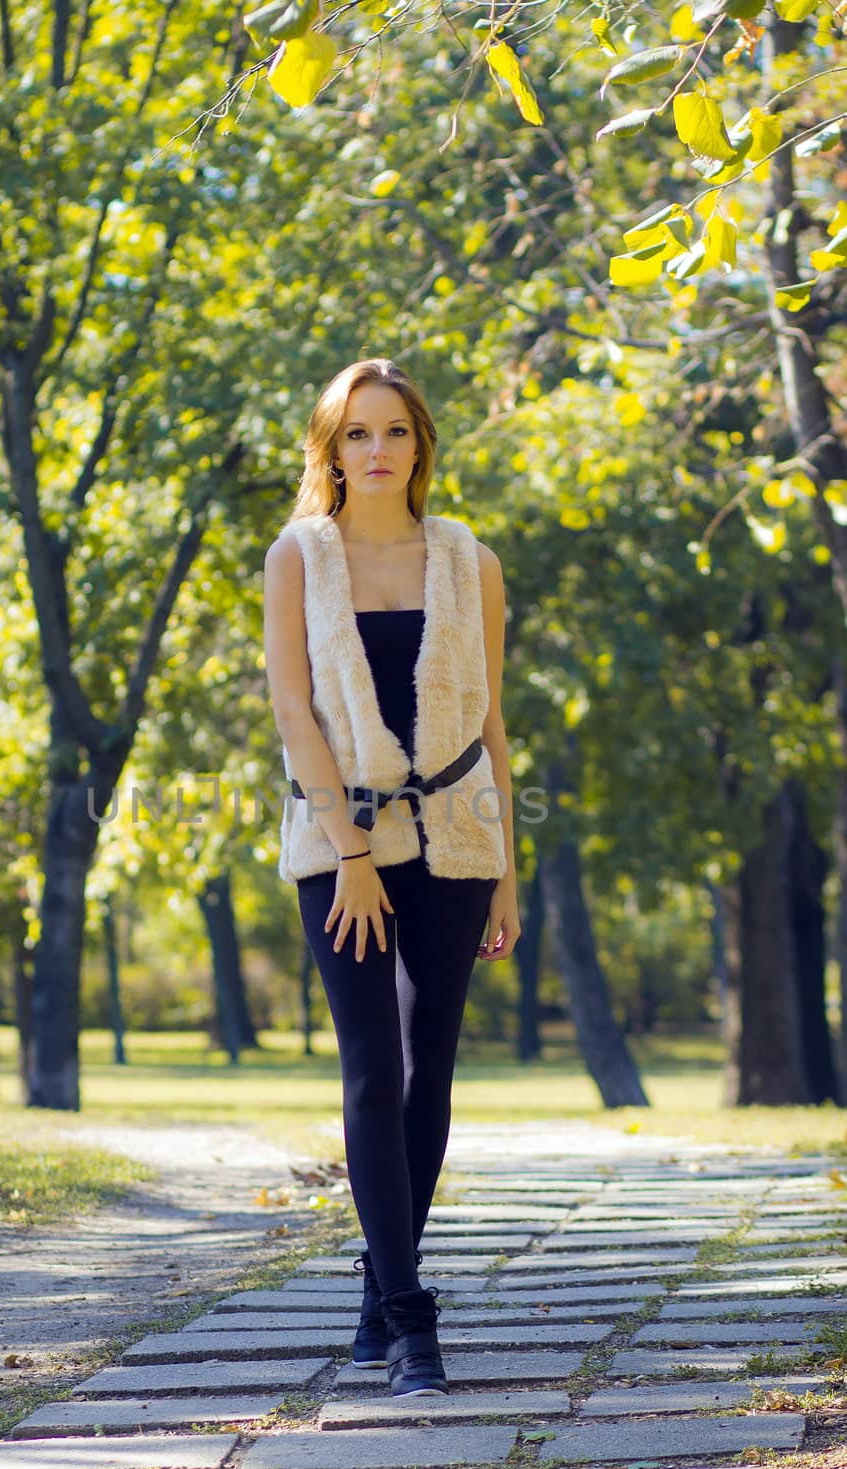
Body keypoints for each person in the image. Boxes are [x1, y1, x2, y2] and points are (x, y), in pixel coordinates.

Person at [262, 357, 520, 1398]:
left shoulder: (467, 560)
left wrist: (505, 872)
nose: (377, 451)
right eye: (356, 434)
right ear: (330, 449)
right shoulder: (299, 557)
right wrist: (355, 857)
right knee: (371, 1068)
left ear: (420, 445)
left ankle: (381, 1281)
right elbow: (293, 713)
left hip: (459, 833)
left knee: (429, 1071)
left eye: (395, 432)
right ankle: (410, 1318)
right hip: (340, 840)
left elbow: (491, 721)